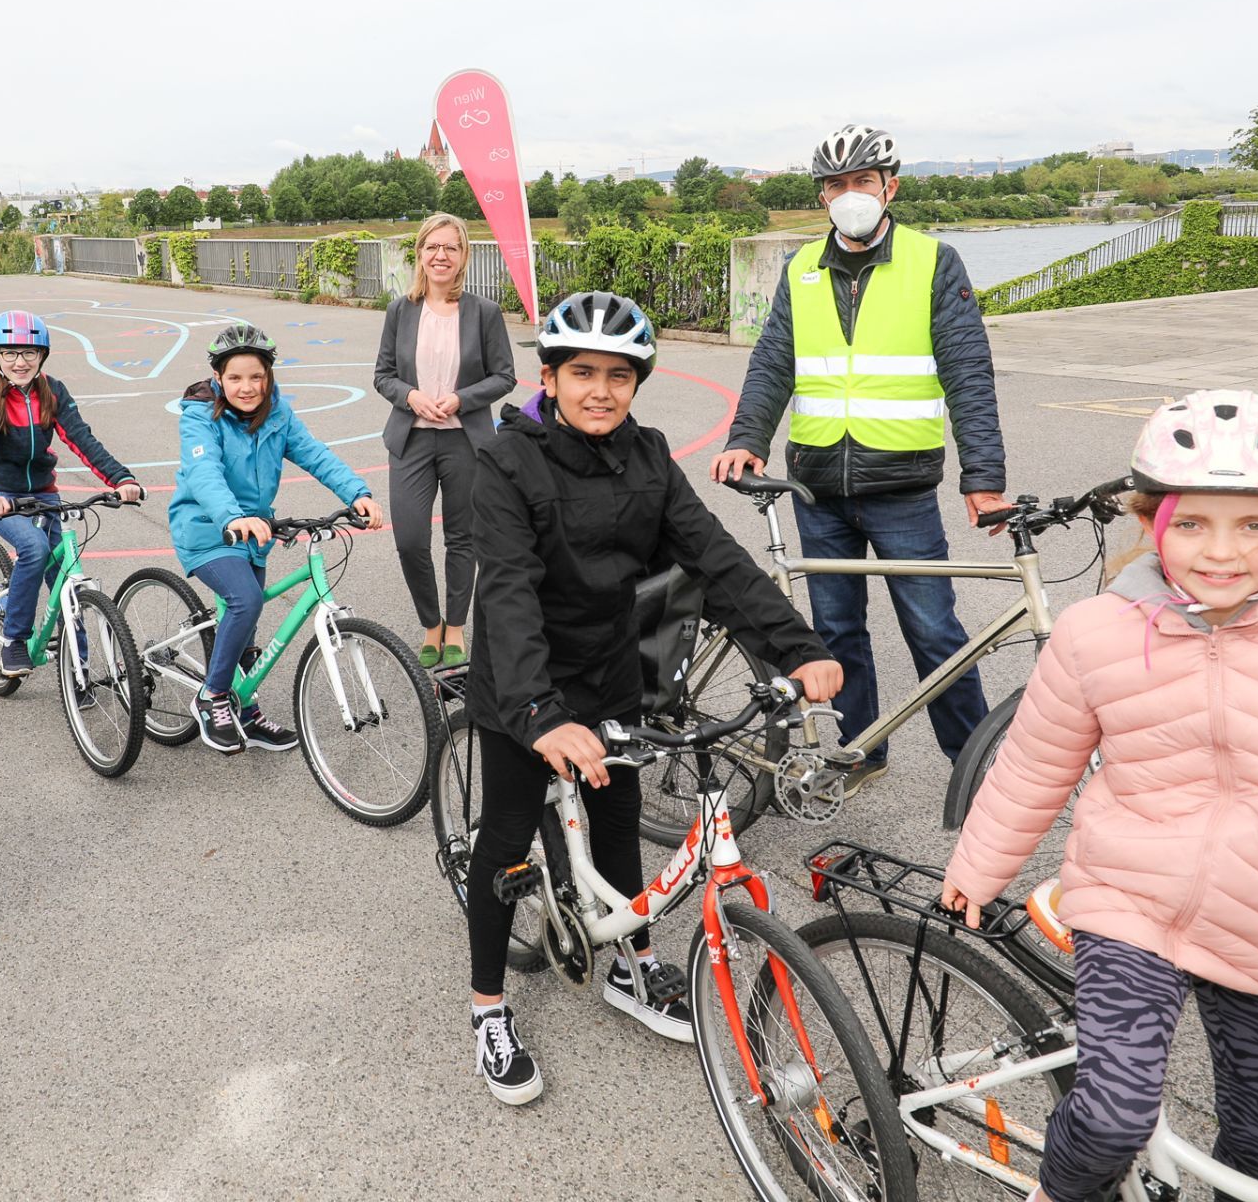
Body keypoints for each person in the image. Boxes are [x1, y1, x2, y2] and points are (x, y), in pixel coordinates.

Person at [942, 390, 1258, 1202]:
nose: (1221, 552)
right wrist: (980, 862)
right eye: (1192, 524)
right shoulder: (1095, 633)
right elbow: (1036, 763)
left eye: (1252, 526)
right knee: (1112, 1111)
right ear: (1153, 525)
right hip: (1125, 903)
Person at [463, 291, 843, 1106]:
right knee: (503, 843)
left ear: (638, 383)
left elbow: (712, 558)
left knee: (617, 814)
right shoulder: (506, 461)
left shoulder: (648, 457)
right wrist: (535, 713)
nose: (600, 391)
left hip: (607, 669)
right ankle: (487, 1007)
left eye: (619, 376)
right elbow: (508, 592)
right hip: (521, 677)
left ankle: (631, 966)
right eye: (583, 373)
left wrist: (798, 646)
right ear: (551, 377)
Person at [711, 124, 1011, 785]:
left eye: (862, 182)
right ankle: (859, 753)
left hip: (901, 486)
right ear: (823, 195)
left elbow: (967, 371)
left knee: (934, 632)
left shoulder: (934, 262)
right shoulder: (802, 270)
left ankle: (976, 765)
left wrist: (983, 477)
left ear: (889, 187)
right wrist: (746, 438)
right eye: (836, 184)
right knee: (836, 634)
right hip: (818, 486)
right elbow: (772, 364)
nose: (850, 195)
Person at [169, 324, 385, 754]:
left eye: (256, 377)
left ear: (268, 376)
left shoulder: (278, 413)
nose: (247, 387)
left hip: (256, 533)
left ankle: (243, 707)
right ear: (218, 378)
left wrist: (357, 493)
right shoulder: (200, 416)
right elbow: (205, 473)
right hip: (207, 529)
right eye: (235, 378)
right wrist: (233, 517)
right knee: (246, 600)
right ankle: (212, 698)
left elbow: (315, 453)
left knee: (247, 623)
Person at [0, 309, 143, 678]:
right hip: (2, 494)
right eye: (9, 353)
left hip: (44, 493)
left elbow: (81, 437)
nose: (20, 361)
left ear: (42, 355)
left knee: (63, 571)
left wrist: (121, 479)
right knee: (34, 549)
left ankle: (80, 666)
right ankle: (15, 640)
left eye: (30, 353)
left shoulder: (52, 389)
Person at [372, 212, 516, 668]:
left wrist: (460, 399)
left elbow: (504, 376)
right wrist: (411, 396)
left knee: (462, 538)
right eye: (432, 247)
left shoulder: (483, 313)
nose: (440, 256)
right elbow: (383, 376)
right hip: (411, 440)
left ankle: (454, 627)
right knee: (410, 539)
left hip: (464, 442)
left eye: (450, 248)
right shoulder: (401, 310)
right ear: (419, 253)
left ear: (463, 256)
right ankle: (429, 623)